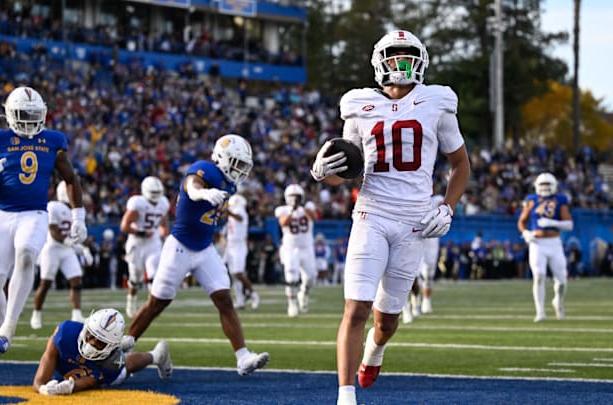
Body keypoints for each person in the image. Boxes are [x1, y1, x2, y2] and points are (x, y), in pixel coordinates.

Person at [309, 30, 470, 405]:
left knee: (386, 321)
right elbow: (347, 170)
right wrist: (322, 172)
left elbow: (460, 164)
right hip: (371, 213)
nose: (400, 62)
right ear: (379, 61)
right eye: (393, 55)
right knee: (356, 307)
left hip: (414, 221)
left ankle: (375, 350)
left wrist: (448, 205)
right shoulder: (358, 104)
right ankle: (345, 395)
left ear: (421, 60)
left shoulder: (437, 102)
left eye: (407, 54)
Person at [123, 134, 269, 376]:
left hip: (204, 248)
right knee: (157, 302)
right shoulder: (205, 169)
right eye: (238, 164)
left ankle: (243, 357)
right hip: (179, 246)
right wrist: (201, 194)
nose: (241, 171)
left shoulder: (230, 184)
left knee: (224, 298)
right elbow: (192, 184)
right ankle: (126, 342)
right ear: (223, 158)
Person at [0, 86, 87, 364]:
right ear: (10, 114)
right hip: (3, 215)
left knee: (26, 256)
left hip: (34, 213)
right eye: (24, 115)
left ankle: (9, 327)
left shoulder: (53, 140)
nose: (31, 121)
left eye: (35, 115)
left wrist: (79, 215)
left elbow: (70, 179)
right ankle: (0, 331)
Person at [32, 308, 172, 395]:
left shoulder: (110, 362)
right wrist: (42, 388)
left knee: (125, 367)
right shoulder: (65, 333)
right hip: (70, 365)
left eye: (100, 341)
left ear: (110, 346)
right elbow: (42, 373)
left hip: (97, 368)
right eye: (90, 335)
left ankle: (157, 355)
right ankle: (123, 344)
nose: (91, 342)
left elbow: (90, 382)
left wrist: (69, 387)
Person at [30, 181, 88, 330]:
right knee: (45, 284)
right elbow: (54, 231)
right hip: (53, 248)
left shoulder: (76, 211)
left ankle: (76, 313)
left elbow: (74, 234)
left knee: (76, 281)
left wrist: (81, 247)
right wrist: (72, 244)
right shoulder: (54, 206)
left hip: (67, 250)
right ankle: (36, 314)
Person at [517, 172, 573, 322]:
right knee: (539, 275)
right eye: (542, 184)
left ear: (553, 186)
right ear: (536, 186)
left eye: (547, 184)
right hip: (537, 243)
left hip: (554, 243)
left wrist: (553, 223)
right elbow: (521, 221)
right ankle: (540, 312)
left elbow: (569, 224)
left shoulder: (561, 200)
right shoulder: (531, 200)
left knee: (561, 281)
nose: (544, 187)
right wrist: (526, 233)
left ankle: (558, 302)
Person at [120, 176, 170, 318]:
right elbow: (124, 226)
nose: (155, 196)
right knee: (135, 279)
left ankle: (151, 308)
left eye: (157, 192)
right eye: (152, 192)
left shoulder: (163, 203)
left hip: (153, 242)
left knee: (154, 277)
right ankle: (131, 300)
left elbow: (163, 221)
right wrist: (141, 232)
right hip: (136, 242)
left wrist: (165, 234)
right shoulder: (137, 203)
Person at [275, 183, 318, 317]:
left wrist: (301, 207)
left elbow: (314, 217)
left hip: (307, 248)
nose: (295, 199)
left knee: (311, 277)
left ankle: (303, 293)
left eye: (297, 196)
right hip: (290, 248)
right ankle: (292, 304)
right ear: (287, 197)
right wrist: (292, 209)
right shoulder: (282, 209)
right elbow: (283, 222)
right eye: (292, 196)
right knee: (291, 276)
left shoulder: (308, 206)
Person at [224, 194, 260, 310]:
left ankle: (253, 294)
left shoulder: (239, 212)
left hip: (239, 245)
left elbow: (239, 217)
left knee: (238, 273)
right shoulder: (232, 214)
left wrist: (228, 212)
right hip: (230, 244)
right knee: (234, 275)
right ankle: (240, 301)